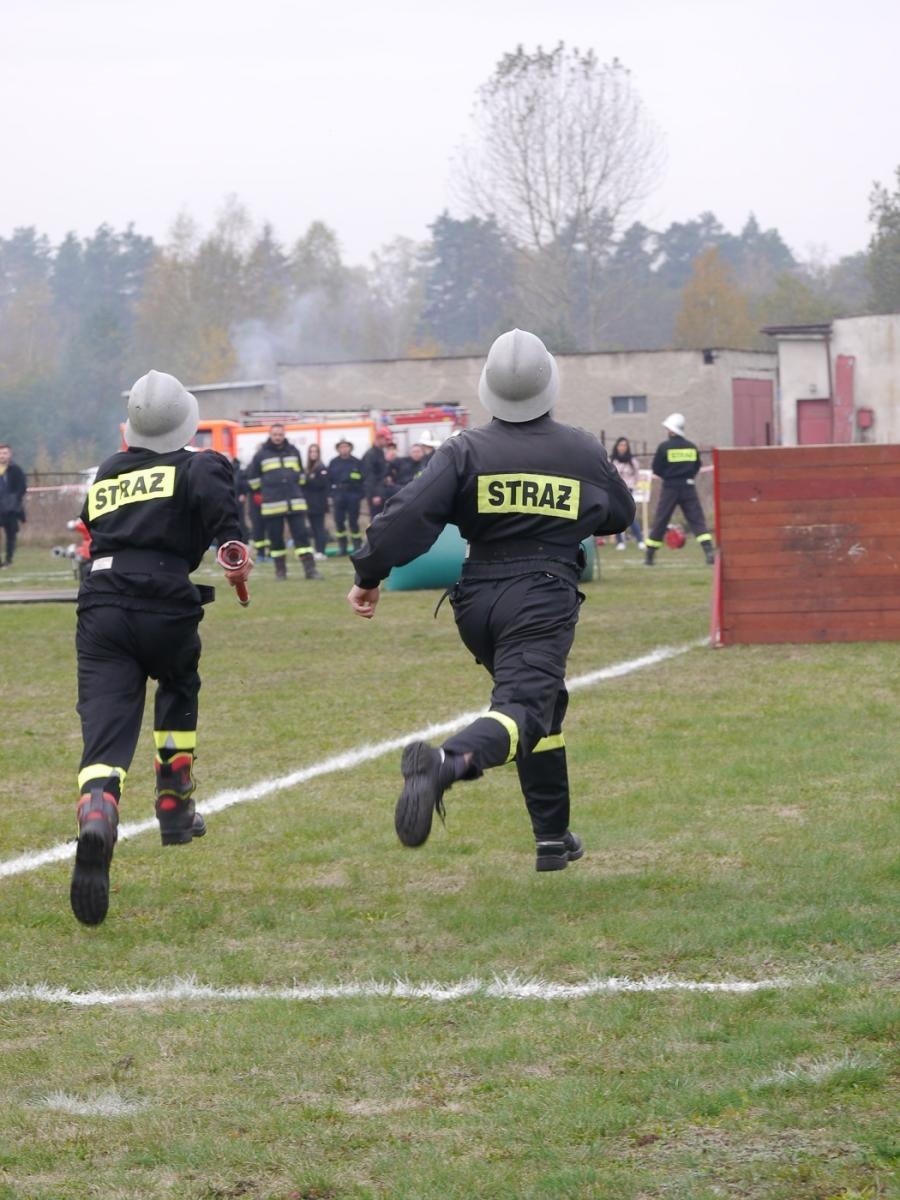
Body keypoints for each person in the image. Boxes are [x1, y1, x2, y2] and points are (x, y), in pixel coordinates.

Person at [347, 329, 635, 872]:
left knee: (545, 704)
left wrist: (368, 574)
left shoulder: (465, 450)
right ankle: (444, 764)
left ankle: (553, 837)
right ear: (550, 383)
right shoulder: (581, 449)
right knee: (522, 708)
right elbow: (620, 514)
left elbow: (406, 516)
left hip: (477, 600)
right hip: (542, 594)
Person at [70, 370, 253, 926]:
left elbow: (91, 522)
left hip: (101, 604)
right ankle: (174, 800)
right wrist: (234, 554)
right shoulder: (199, 463)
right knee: (177, 683)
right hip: (165, 602)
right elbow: (228, 529)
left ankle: (98, 809)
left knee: (106, 725)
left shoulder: (108, 470)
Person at [247, 424, 321, 580]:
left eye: (280, 434)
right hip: (272, 505)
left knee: (302, 537)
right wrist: (265, 492)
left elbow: (301, 475)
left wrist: (294, 486)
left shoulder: (294, 451)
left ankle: (310, 570)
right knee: (276, 539)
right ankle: (280, 572)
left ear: (284, 434)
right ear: (270, 435)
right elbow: (253, 480)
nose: (278, 437)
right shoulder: (261, 455)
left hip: (295, 502)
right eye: (275, 434)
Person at [644, 413, 715, 566]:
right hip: (688, 487)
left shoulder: (664, 447)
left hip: (670, 487)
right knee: (697, 520)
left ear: (671, 430)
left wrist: (668, 476)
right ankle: (709, 551)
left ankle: (650, 555)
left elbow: (656, 468)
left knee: (661, 520)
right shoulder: (691, 446)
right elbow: (697, 466)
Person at [327, 438, 364, 555]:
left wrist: (359, 495)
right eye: (341, 447)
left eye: (346, 446)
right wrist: (331, 495)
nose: (344, 449)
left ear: (350, 448)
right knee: (339, 521)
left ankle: (357, 546)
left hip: (353, 494)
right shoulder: (333, 462)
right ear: (338, 449)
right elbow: (328, 480)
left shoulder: (357, 462)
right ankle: (342, 547)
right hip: (338, 494)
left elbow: (363, 479)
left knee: (353, 521)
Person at [608, 437, 645, 550]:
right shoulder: (612, 460)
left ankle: (640, 540)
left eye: (625, 445)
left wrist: (635, 486)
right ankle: (620, 542)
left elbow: (637, 476)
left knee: (631, 517)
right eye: (620, 445)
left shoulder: (632, 462)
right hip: (615, 490)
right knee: (618, 517)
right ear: (617, 446)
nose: (622, 447)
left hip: (628, 490)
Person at [0, 443, 27, 568]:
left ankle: (8, 560)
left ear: (9, 454)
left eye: (5, 453)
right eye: (0, 453)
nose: (2, 456)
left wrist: (14, 500)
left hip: (11, 510)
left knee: (11, 536)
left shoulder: (16, 469)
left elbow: (22, 488)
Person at [302, 443, 331, 558]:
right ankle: (317, 550)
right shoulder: (308, 468)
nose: (313, 454)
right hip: (309, 503)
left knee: (319, 528)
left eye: (315, 451)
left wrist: (308, 481)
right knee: (313, 528)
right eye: (311, 451)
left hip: (318, 503)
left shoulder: (321, 467)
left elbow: (321, 484)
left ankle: (321, 551)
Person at [361, 426, 394, 522]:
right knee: (376, 519)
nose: (388, 442)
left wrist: (387, 478)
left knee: (382, 518)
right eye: (386, 439)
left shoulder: (380, 452)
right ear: (379, 438)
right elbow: (369, 477)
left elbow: (380, 472)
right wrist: (376, 495)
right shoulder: (370, 454)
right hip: (375, 493)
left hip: (381, 490)